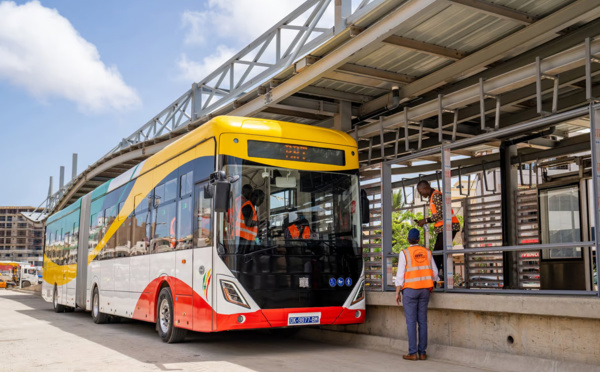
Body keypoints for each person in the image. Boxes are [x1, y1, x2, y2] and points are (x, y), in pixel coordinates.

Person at [395, 228, 438, 361]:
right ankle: (422, 353)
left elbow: (400, 275)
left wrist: (397, 292)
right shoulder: (427, 252)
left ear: (408, 240)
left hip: (410, 291)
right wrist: (433, 283)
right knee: (423, 322)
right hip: (425, 290)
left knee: (411, 322)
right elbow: (435, 273)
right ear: (419, 240)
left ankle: (413, 353)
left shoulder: (405, 253)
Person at [415, 180, 460, 282]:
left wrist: (425, 220)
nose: (420, 194)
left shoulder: (435, 196)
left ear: (425, 188)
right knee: (440, 253)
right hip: (445, 228)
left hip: (449, 227)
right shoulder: (433, 197)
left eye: (420, 191)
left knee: (437, 254)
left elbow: (441, 214)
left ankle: (438, 280)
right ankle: (443, 280)